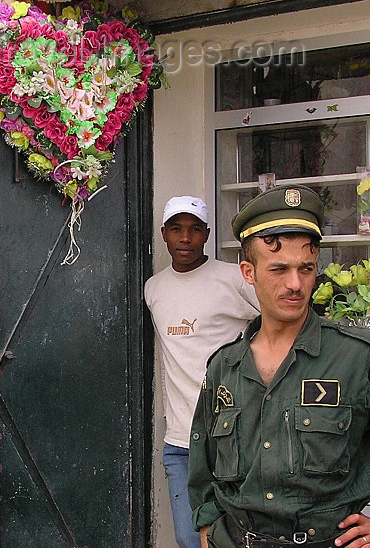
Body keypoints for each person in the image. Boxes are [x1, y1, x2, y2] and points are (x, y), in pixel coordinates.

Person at [188, 184, 370, 548]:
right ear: (248, 271)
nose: (295, 284)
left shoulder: (356, 357)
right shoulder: (225, 367)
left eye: (306, 269)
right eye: (279, 269)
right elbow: (201, 463)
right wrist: (208, 530)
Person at [145, 195, 259, 548]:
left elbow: (278, 326)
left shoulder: (234, 279)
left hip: (231, 438)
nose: (185, 238)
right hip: (180, 443)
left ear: (207, 234)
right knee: (189, 538)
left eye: (194, 230)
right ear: (164, 234)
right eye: (176, 229)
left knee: (238, 536)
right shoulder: (154, 289)